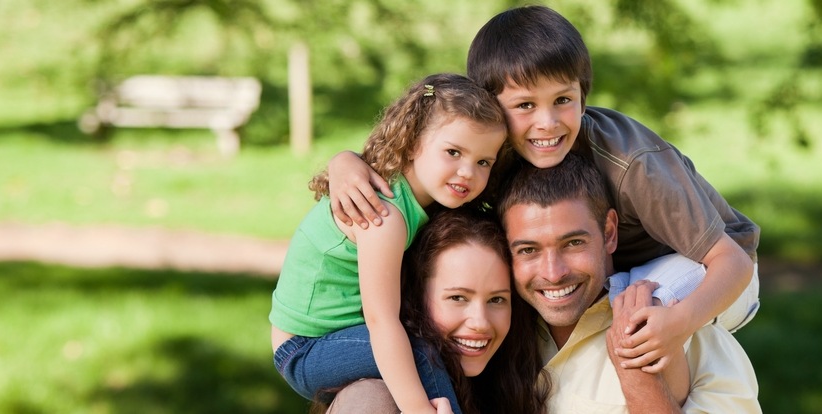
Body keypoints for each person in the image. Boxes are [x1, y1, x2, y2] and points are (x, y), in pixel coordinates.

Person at [326, 5, 761, 375]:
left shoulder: (633, 163)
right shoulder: (487, 151)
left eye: (563, 100)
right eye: (525, 106)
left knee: (637, 317)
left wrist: (679, 323)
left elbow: (732, 261)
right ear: (492, 107)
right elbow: (414, 163)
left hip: (713, 270)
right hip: (600, 270)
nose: (547, 123)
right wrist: (345, 163)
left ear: (584, 95)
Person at [269, 73, 508, 414]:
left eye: (483, 161)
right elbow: (381, 322)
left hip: (336, 340)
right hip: (306, 351)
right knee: (421, 353)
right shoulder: (386, 215)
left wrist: (344, 158)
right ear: (412, 144)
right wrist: (417, 408)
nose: (468, 172)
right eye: (453, 152)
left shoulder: (420, 198)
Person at [499, 153, 760, 413]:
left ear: (609, 233)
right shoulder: (500, 339)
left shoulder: (683, 332)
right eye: (528, 250)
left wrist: (638, 379)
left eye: (574, 243)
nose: (554, 274)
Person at [324, 208, 549, 414]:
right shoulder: (371, 399)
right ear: (415, 298)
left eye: (497, 299)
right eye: (457, 298)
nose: (481, 322)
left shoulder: (511, 380)